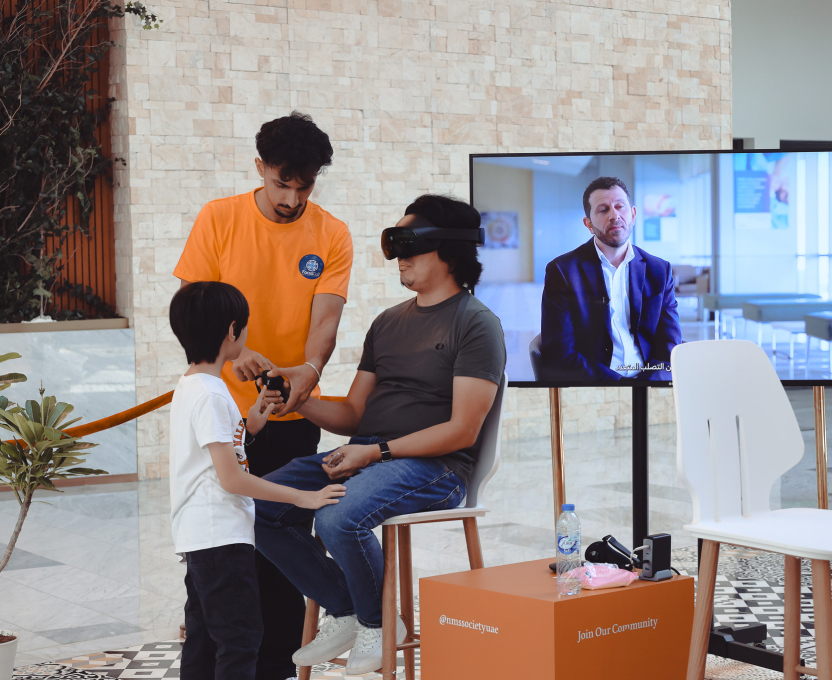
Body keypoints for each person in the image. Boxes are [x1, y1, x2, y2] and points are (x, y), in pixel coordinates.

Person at [254, 194, 506, 675]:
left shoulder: (476, 324)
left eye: (409, 245)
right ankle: (351, 609)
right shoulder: (387, 323)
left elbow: (462, 429)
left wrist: (375, 452)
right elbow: (354, 413)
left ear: (449, 250)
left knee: (336, 517)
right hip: (370, 455)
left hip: (436, 469)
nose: (399, 258)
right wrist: (299, 399)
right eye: (395, 247)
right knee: (256, 505)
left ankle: (378, 622)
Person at [172, 111, 353, 680]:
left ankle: (274, 671)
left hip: (289, 418)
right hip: (225, 421)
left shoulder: (332, 234)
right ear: (260, 167)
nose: (292, 199)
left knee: (281, 560)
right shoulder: (219, 218)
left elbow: (326, 322)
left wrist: (307, 372)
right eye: (282, 184)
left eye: (305, 187)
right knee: (215, 569)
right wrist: (234, 355)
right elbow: (194, 309)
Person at [167, 281, 346, 680]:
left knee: (203, 638)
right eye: (244, 326)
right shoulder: (212, 395)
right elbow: (231, 479)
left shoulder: (192, 386)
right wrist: (302, 497)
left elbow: (214, 457)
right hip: (221, 536)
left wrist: (251, 425)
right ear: (233, 331)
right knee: (241, 639)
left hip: (201, 535)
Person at [538, 176, 681, 381]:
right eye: (603, 210)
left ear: (633, 214)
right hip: (596, 385)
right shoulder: (563, 272)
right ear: (588, 224)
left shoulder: (659, 270)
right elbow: (560, 353)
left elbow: (670, 347)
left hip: (649, 383)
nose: (614, 215)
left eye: (620, 207)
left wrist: (647, 385)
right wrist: (620, 386)